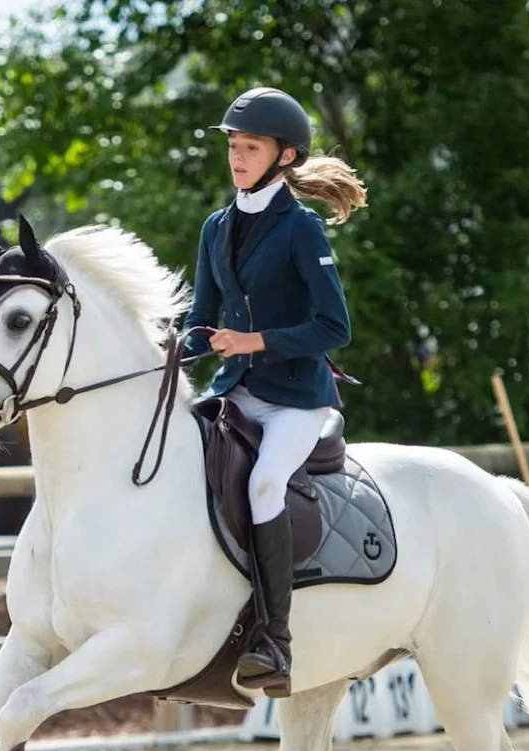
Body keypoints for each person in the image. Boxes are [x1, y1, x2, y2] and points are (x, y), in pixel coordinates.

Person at [182, 86, 367, 698]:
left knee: (264, 483)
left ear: (284, 156)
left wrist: (253, 341)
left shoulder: (301, 228)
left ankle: (275, 640)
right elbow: (202, 321)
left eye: (250, 147)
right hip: (235, 389)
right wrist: (164, 349)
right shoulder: (216, 227)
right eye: (233, 145)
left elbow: (333, 327)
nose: (236, 156)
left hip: (296, 398)